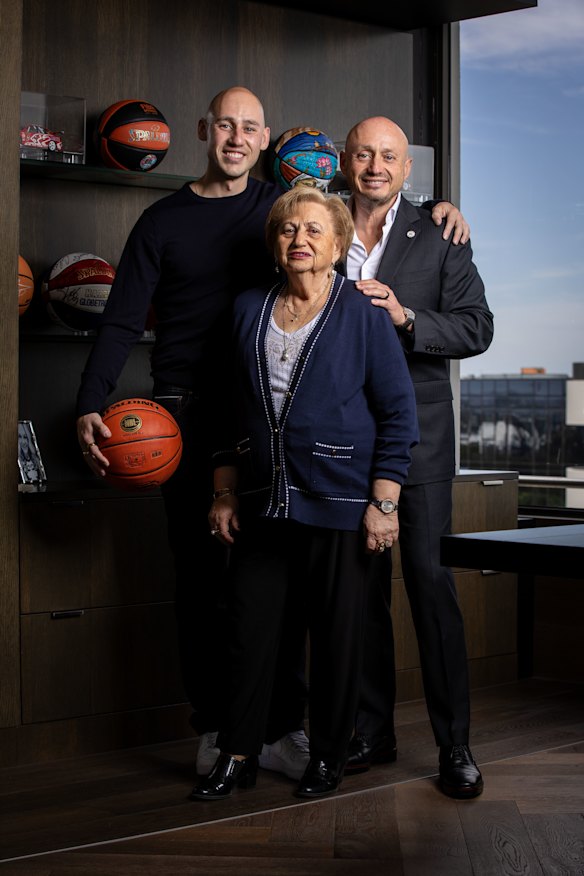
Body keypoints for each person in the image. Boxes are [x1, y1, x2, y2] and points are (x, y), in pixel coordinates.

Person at [74, 84, 469, 783]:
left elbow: (367, 216)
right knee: (218, 590)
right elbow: (123, 320)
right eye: (225, 125)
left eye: (251, 128)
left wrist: (435, 221)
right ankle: (227, 730)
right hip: (201, 421)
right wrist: (91, 401)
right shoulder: (176, 227)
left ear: (265, 141)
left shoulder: (311, 220)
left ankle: (315, 730)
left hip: (315, 436)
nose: (237, 138)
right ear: (205, 131)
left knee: (327, 591)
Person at [190, 186, 419, 802]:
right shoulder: (246, 309)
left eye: (315, 230)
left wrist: (385, 502)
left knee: (338, 635)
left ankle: (328, 757)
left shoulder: (365, 316)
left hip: (344, 505)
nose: (300, 240)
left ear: (338, 245)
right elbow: (226, 410)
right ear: (274, 243)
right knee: (247, 630)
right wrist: (224, 489)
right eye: (289, 229)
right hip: (266, 502)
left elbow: (398, 416)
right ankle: (237, 754)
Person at [338, 116, 494, 799]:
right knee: (360, 592)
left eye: (389, 156)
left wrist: (406, 318)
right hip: (341, 440)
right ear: (345, 160)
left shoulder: (440, 233)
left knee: (431, 587)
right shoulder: (316, 221)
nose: (376, 165)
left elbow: (477, 326)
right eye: (364, 152)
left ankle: (454, 743)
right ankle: (373, 731)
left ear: (408, 169)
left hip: (421, 441)